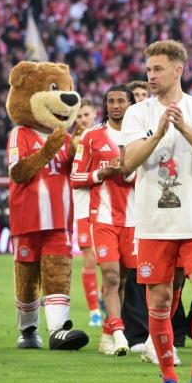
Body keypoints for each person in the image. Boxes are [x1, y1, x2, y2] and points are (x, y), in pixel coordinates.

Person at [122, 40, 192, 383]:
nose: (151, 75)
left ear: (178, 70)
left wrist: (183, 127)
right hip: (153, 224)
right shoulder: (137, 114)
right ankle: (169, 378)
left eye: (158, 69)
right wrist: (158, 133)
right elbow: (128, 163)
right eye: (148, 69)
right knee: (160, 300)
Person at [71, 84, 137, 357]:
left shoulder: (142, 137)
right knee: (110, 276)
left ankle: (108, 333)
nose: (116, 106)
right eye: (111, 101)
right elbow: (75, 179)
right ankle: (120, 333)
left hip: (135, 219)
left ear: (131, 104)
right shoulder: (91, 136)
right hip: (103, 218)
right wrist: (101, 174)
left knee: (122, 280)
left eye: (121, 101)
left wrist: (129, 173)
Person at [72, 99, 103, 327]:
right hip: (83, 208)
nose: (82, 119)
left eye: (86, 114)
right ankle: (94, 311)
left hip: (106, 207)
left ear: (95, 114)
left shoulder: (105, 137)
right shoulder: (72, 142)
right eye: (79, 116)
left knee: (111, 263)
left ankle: (104, 298)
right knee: (90, 259)